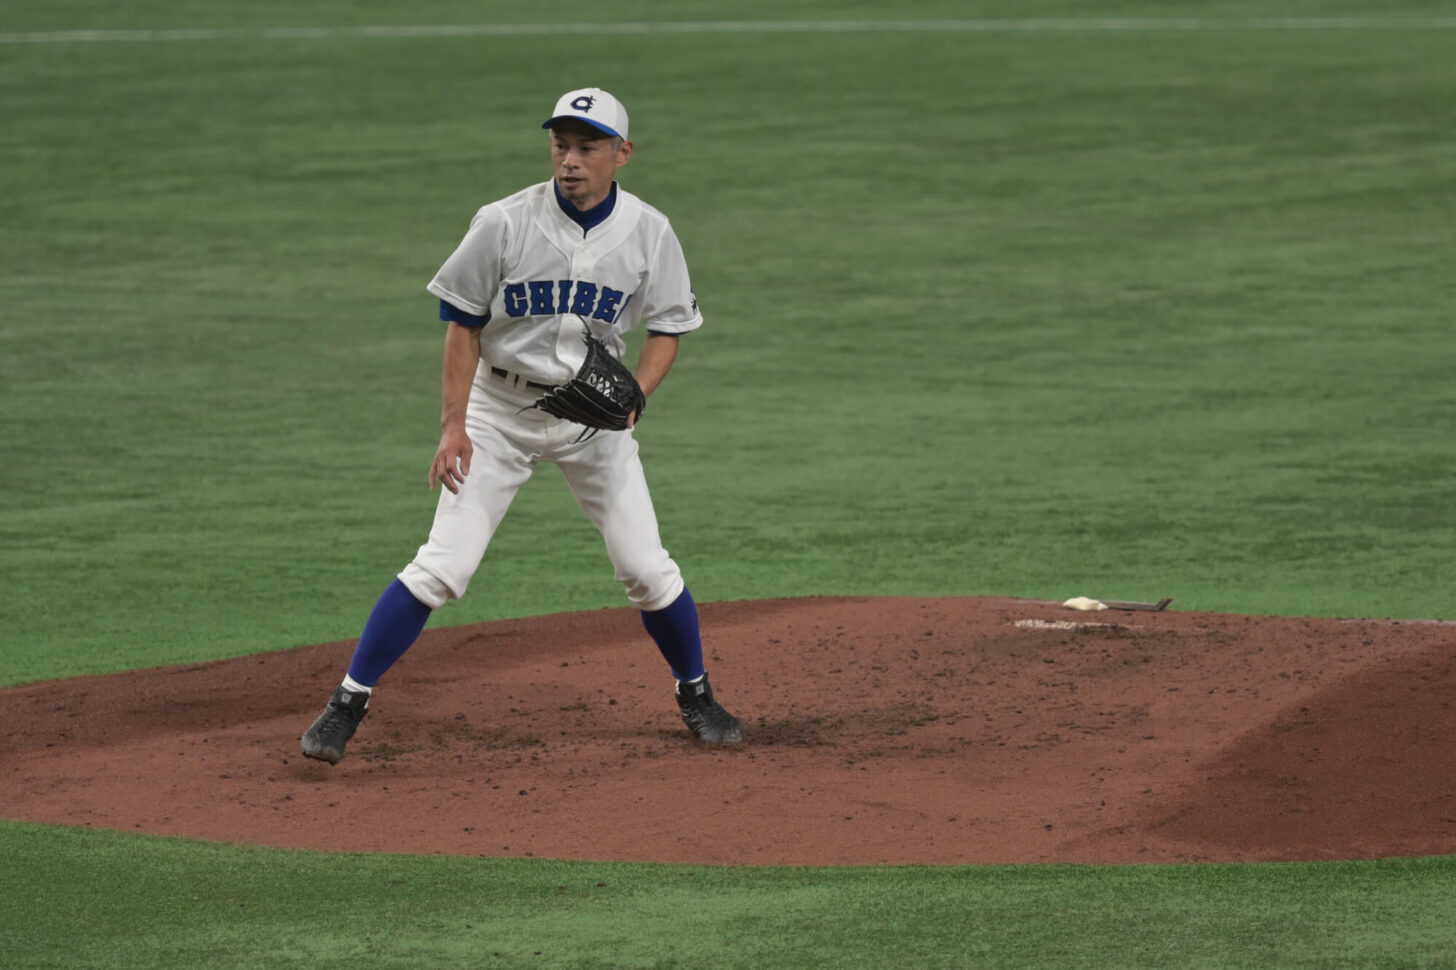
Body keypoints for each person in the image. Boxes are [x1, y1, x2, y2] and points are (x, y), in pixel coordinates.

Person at [300, 87, 743, 765]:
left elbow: (669, 328)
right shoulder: (503, 223)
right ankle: (347, 702)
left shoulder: (651, 230)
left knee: (647, 570)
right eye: (561, 145)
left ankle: (696, 693)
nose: (571, 159)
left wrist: (636, 397)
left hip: (594, 425)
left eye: (587, 146)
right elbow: (461, 328)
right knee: (442, 568)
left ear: (621, 153)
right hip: (497, 412)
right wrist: (454, 426)